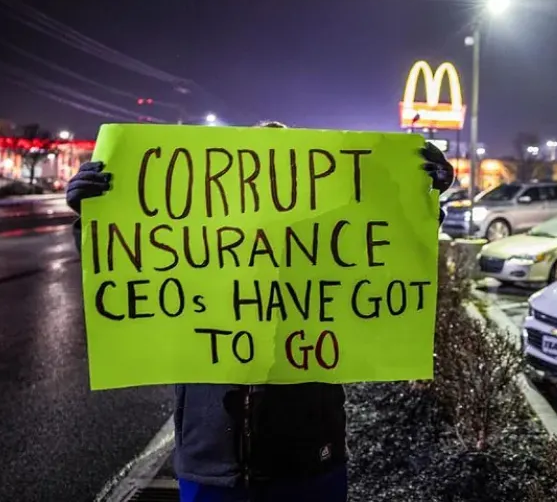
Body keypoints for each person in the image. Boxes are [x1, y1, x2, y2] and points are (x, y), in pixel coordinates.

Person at [66, 122, 454, 502]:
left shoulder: (324, 246)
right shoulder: (200, 248)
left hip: (308, 464)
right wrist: (95, 216)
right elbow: (131, 266)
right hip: (212, 466)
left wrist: (420, 200)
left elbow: (391, 255)